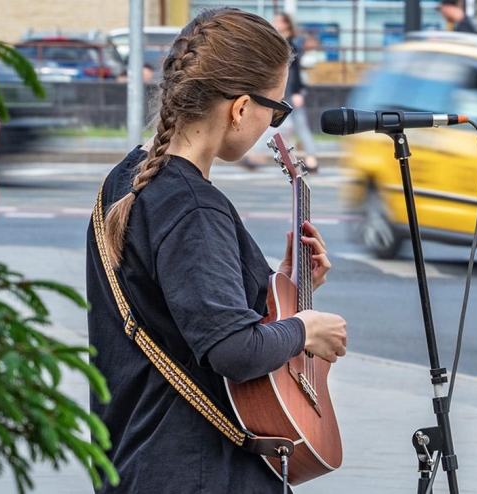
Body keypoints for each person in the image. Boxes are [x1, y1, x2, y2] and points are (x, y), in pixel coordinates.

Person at [86, 7, 348, 493]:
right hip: (195, 468)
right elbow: (233, 349)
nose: (274, 126)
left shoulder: (126, 179)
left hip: (137, 459)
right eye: (277, 109)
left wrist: (280, 286)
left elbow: (185, 312)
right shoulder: (193, 209)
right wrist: (306, 327)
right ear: (241, 108)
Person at [272, 12, 320, 172]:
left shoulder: (289, 44)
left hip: (292, 92)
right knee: (286, 126)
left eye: (278, 20)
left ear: (286, 24)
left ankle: (311, 161)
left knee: (298, 125)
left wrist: (297, 92)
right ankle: (296, 160)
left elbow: (295, 71)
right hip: (288, 91)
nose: (275, 22)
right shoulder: (283, 42)